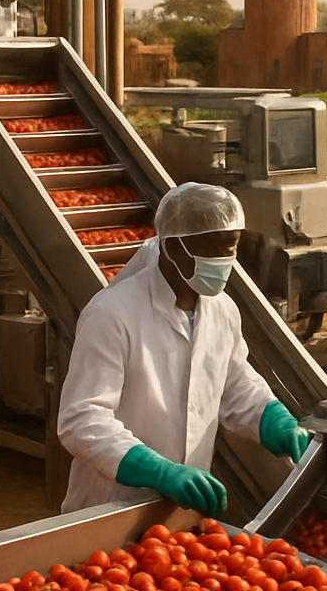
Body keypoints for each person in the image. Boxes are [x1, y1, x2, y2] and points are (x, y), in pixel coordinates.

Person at [58, 182, 311, 514]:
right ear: (173, 248)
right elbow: (81, 418)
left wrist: (273, 420)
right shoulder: (111, 314)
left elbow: (234, 385)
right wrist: (156, 470)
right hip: (110, 504)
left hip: (179, 508)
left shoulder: (222, 310)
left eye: (230, 247)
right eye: (211, 248)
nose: (223, 260)